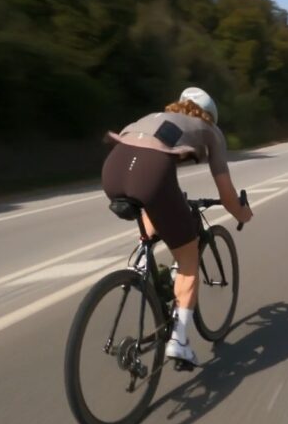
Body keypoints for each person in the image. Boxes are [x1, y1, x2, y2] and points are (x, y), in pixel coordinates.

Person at [101, 87, 253, 367]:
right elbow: (227, 194)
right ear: (210, 116)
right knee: (188, 256)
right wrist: (242, 214)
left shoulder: (158, 118)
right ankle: (180, 342)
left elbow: (151, 167)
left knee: (155, 214)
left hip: (113, 169)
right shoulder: (209, 129)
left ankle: (143, 270)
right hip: (150, 173)